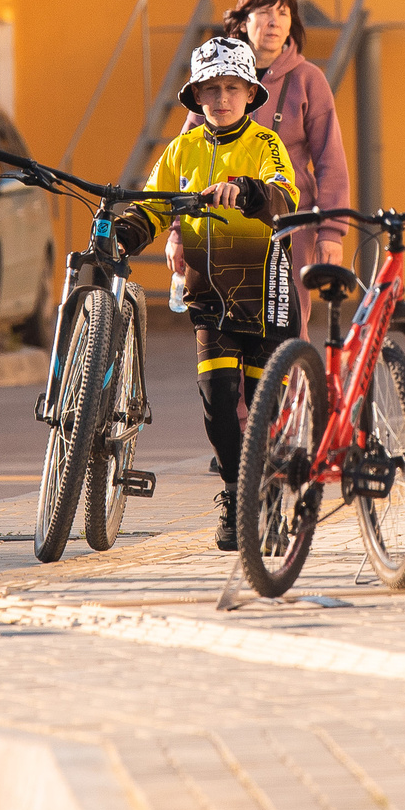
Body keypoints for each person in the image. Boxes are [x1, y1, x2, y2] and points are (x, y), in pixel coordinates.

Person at [116, 37, 299, 552]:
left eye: (231, 88)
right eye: (210, 89)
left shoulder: (264, 144)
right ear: (195, 96)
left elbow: (286, 194)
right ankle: (236, 495)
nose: (221, 98)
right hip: (210, 300)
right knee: (219, 404)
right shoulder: (181, 150)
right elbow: (153, 206)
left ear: (249, 93)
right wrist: (126, 233)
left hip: (264, 296)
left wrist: (248, 191)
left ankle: (269, 499)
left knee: (265, 406)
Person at [182, 0, 351, 292]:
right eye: (263, 12)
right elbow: (187, 159)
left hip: (288, 222)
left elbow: (331, 162)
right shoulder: (215, 76)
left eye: (284, 14)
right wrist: (178, 233)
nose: (274, 21)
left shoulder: (309, 80)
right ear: (245, 22)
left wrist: (330, 232)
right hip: (219, 222)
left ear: (291, 26)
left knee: (286, 331)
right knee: (224, 327)